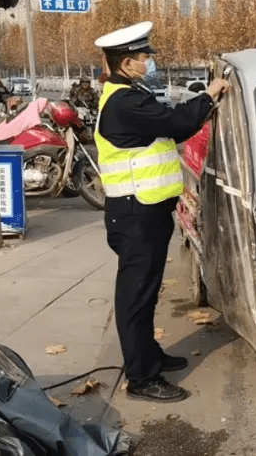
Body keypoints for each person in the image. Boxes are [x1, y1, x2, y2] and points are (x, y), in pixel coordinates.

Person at [93, 21, 230, 402]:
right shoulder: (124, 102)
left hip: (145, 211)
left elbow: (168, 122)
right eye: (143, 56)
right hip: (134, 213)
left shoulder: (130, 93)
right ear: (125, 63)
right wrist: (209, 94)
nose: (149, 61)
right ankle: (141, 378)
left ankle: (149, 355)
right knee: (135, 296)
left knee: (147, 291)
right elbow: (176, 123)